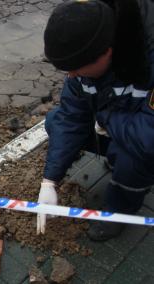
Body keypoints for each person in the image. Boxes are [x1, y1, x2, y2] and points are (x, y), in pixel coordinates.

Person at [36, 0, 154, 241]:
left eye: (76, 68)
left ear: (107, 53)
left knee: (133, 160)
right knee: (56, 120)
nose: (71, 76)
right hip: (119, 126)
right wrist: (49, 180)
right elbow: (71, 118)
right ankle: (115, 157)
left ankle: (119, 212)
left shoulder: (148, 61)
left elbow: (150, 138)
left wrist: (106, 116)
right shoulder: (88, 47)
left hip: (145, 139)